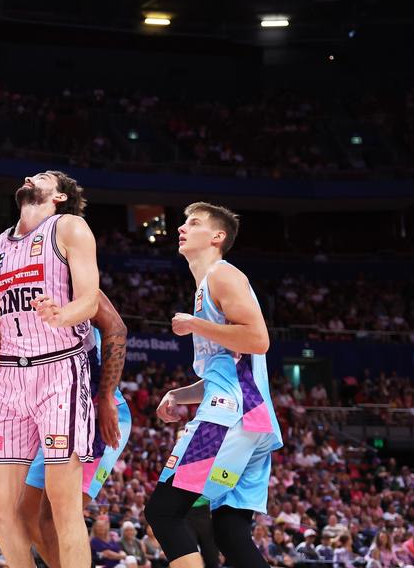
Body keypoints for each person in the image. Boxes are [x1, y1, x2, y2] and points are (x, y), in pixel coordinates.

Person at [0, 172, 101, 568]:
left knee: (62, 503)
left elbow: (89, 300)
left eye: (41, 177)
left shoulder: (70, 227)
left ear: (58, 196)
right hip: (9, 380)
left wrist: (63, 313)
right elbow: (3, 326)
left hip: (59, 370)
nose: (28, 178)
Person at [143, 203, 282, 568]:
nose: (181, 228)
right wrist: (179, 394)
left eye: (194, 223)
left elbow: (257, 339)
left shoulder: (222, 275)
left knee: (165, 512)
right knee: (229, 531)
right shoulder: (207, 286)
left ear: (217, 236)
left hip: (228, 420)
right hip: (250, 421)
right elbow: (228, 370)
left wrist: (195, 325)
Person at [0, 283, 130, 568]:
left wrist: (106, 399)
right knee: (27, 513)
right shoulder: (14, 292)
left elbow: (117, 328)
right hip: (50, 408)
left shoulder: (73, 282)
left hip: (95, 407)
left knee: (59, 514)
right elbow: (2, 358)